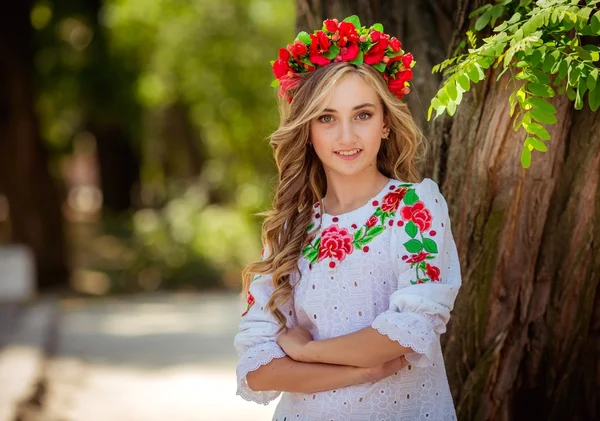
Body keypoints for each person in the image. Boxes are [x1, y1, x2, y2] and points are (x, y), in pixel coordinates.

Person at [234, 15, 462, 421]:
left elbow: (408, 330)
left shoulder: (416, 208)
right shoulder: (288, 229)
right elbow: (259, 367)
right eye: (326, 118)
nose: (346, 137)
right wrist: (361, 369)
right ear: (307, 131)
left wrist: (306, 352)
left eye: (362, 115)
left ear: (386, 123)